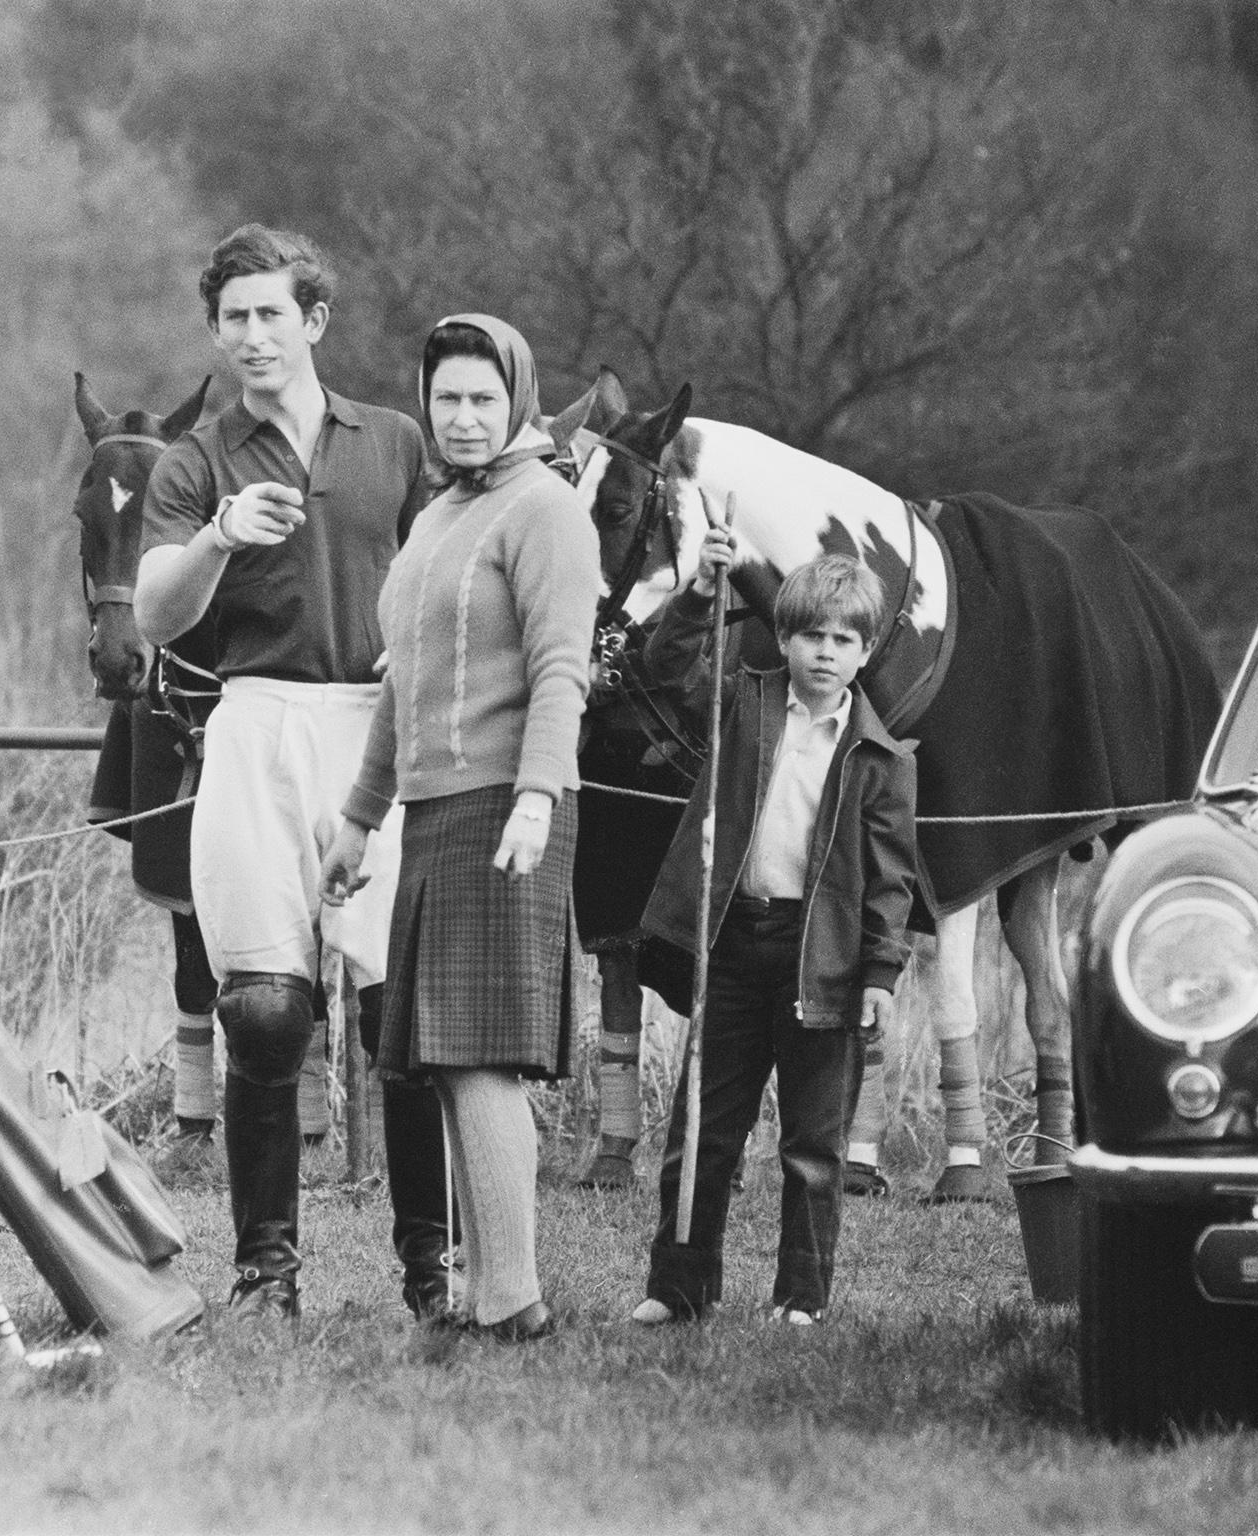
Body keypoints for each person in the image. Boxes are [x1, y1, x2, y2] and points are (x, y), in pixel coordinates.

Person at [133, 225, 440, 1321]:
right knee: (263, 1010)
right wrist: (215, 538)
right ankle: (267, 1273)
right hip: (253, 721)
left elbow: (449, 569)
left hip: (377, 722)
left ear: (311, 320)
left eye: (271, 314)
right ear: (213, 334)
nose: (252, 336)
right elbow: (154, 618)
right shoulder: (195, 462)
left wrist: (425, 643)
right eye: (232, 319)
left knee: (400, 1021)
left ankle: (428, 1271)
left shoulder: (397, 442)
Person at [320, 314, 600, 1340]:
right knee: (439, 1054)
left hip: (506, 807)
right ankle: (484, 1291)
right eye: (448, 398)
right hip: (433, 814)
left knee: (481, 1053)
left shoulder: (546, 511)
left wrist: (535, 796)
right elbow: (403, 685)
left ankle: (513, 1297)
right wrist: (357, 819)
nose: (465, 415)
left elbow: (560, 669)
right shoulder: (438, 513)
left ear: (518, 399)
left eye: (485, 397)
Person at [629, 543, 917, 1327]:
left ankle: (800, 1299)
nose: (825, 652)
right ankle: (678, 1287)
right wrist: (696, 591)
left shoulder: (882, 758)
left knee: (814, 1149)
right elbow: (667, 666)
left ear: (864, 653)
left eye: (843, 640)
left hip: (822, 962)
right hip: (729, 945)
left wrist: (882, 976)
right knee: (702, 1132)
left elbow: (892, 882)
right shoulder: (742, 704)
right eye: (811, 635)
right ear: (784, 638)